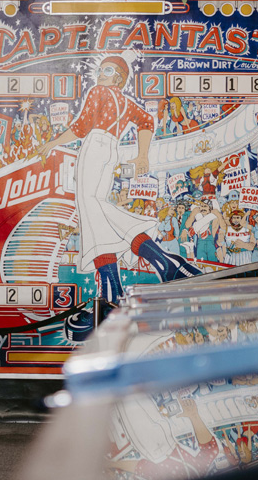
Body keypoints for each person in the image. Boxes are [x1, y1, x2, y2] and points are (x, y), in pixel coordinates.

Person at [38, 55, 200, 305]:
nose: (101, 73)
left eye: (108, 69)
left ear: (119, 77)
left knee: (91, 209)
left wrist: (53, 142)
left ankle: (129, 281)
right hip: (111, 151)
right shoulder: (125, 103)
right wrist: (142, 154)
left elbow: (81, 127)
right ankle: (155, 267)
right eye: (101, 69)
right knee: (96, 214)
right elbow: (147, 121)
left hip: (94, 146)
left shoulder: (97, 91)